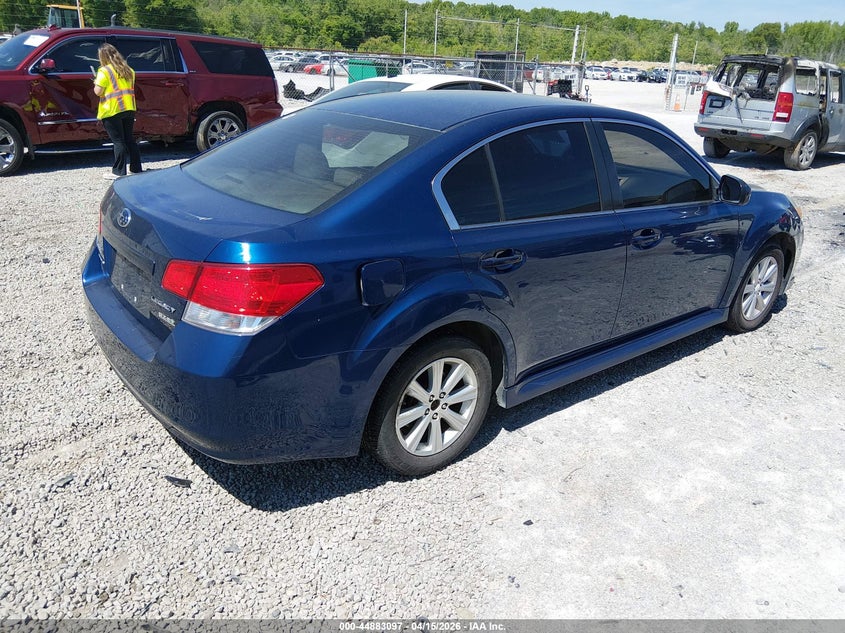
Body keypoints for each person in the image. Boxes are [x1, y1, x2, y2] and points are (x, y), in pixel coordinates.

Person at [93, 43, 142, 179]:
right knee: (129, 139)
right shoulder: (129, 70)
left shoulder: (104, 71)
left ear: (102, 56)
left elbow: (98, 92)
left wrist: (95, 83)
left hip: (112, 109)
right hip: (129, 108)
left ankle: (118, 172)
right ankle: (136, 168)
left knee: (118, 141)